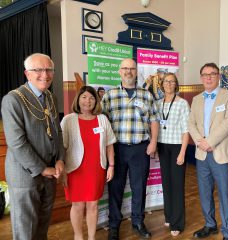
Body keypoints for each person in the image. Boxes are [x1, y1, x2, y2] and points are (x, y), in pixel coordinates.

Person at [1, 53, 65, 239]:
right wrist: (43, 168)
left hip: (50, 173)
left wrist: (60, 159)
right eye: (38, 70)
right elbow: (17, 143)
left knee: (42, 226)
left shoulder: (51, 97)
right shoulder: (13, 99)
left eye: (49, 70)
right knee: (25, 230)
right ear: (27, 73)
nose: (44, 74)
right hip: (25, 175)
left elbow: (57, 132)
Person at [102, 58, 160, 240]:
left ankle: (138, 222)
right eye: (125, 68)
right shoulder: (109, 95)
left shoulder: (146, 95)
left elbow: (154, 120)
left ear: (137, 72)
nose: (128, 71)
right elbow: (102, 123)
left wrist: (154, 142)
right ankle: (113, 225)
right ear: (119, 72)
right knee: (115, 188)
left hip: (140, 149)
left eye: (132, 68)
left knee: (139, 187)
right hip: (117, 149)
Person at [188, 62, 228, 240]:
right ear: (201, 77)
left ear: (219, 76)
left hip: (222, 152)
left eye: (212, 74)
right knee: (204, 193)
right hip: (202, 154)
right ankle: (210, 224)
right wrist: (200, 142)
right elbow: (191, 123)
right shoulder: (196, 99)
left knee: (225, 194)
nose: (209, 77)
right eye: (205, 74)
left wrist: (209, 141)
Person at [60, 86, 116, 240]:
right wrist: (63, 170)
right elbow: (61, 148)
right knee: (77, 205)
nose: (87, 101)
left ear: (96, 101)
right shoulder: (68, 120)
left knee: (93, 205)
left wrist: (111, 166)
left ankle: (91, 237)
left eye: (91, 98)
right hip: (74, 170)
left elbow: (109, 144)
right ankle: (78, 236)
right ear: (78, 99)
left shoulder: (102, 119)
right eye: (84, 97)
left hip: (96, 169)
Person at [157, 73, 190, 237]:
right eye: (166, 81)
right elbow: (155, 127)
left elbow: (186, 130)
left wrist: (183, 152)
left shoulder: (182, 103)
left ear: (176, 85)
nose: (169, 84)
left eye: (172, 81)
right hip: (162, 147)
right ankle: (169, 216)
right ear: (162, 84)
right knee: (166, 184)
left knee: (177, 186)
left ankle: (177, 222)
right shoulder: (157, 104)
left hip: (177, 147)